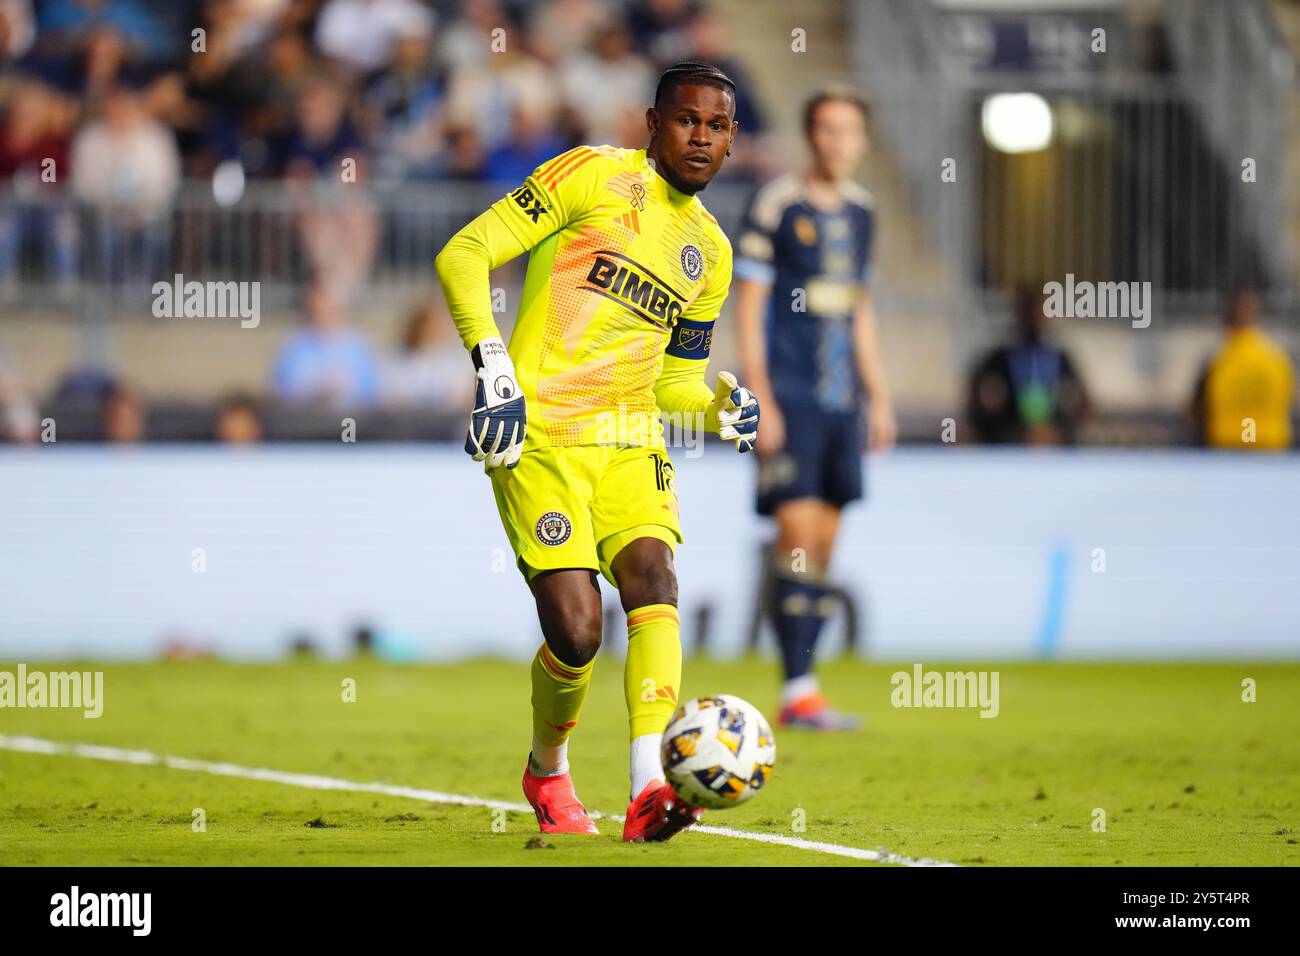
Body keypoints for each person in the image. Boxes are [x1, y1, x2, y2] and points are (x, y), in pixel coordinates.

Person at [434, 61, 758, 843]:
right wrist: (494, 370)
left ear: (732, 140)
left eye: (716, 127)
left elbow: (675, 386)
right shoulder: (590, 175)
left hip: (629, 443)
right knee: (576, 630)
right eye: (686, 120)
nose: (700, 138)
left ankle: (651, 782)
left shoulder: (710, 254)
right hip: (537, 430)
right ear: (652, 122)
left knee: (654, 579)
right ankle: (547, 768)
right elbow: (463, 255)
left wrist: (720, 410)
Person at [734, 88, 894, 731]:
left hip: (839, 406)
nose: (838, 142)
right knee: (796, 541)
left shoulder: (862, 213)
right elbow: (747, 307)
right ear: (810, 136)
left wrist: (878, 397)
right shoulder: (777, 203)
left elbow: (860, 310)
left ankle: (804, 686)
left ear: (862, 141)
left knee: (824, 547)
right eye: (827, 129)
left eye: (850, 131)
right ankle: (796, 687)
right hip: (792, 400)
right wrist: (761, 398)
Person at [967, 287, 1089, 446]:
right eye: (1029, 312)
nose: (1034, 318)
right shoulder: (1000, 358)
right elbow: (977, 396)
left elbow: (1084, 401)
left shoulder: (1059, 358)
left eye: (1039, 312)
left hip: (1052, 437)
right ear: (1019, 314)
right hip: (1010, 437)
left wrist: (1059, 429)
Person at [1190, 288, 1295, 450]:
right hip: (1272, 451)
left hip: (1226, 449)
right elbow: (1290, 402)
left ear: (1225, 319)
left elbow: (1196, 411)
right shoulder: (1278, 359)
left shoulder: (1217, 361)